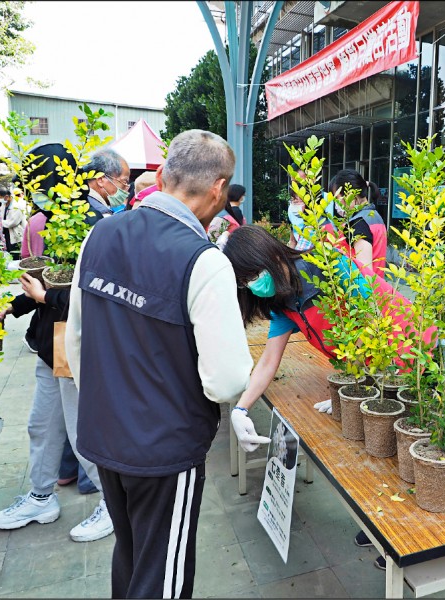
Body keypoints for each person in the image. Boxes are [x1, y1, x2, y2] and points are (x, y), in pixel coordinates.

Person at [66, 129, 253, 599]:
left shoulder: (100, 234)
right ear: (218, 188)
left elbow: (77, 340)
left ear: (166, 174)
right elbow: (227, 379)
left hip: (104, 434)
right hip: (164, 449)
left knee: (130, 556)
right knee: (162, 578)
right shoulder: (204, 260)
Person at [223, 224, 430, 571]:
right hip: (366, 376)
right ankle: (384, 527)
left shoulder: (330, 270)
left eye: (253, 274)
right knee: (375, 452)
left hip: (407, 357)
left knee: (402, 452)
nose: (252, 285)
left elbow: (376, 326)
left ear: (274, 256)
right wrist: (242, 409)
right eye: (244, 282)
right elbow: (269, 362)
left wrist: (355, 387)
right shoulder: (283, 302)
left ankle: (408, 540)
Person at [0, 143, 114, 544]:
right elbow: (46, 278)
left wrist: (45, 299)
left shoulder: (93, 221)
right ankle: (41, 496)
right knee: (41, 425)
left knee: (81, 430)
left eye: (35, 183)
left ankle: (113, 503)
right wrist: (12, 306)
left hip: (72, 338)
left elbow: (94, 290)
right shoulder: (58, 218)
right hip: (49, 340)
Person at [329, 169, 388, 278]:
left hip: (363, 292)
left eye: (337, 198)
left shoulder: (359, 223)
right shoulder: (373, 216)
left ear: (350, 195)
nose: (336, 204)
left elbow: (365, 273)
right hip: (378, 289)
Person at [81, 149, 130, 221]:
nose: (127, 189)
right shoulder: (102, 216)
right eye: (124, 182)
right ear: (100, 180)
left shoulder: (76, 203)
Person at [208, 183, 247, 249]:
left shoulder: (221, 213)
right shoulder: (226, 215)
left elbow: (212, 237)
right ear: (240, 197)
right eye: (243, 195)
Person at [0, 188, 27, 260]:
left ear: (6, 196)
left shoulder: (17, 206)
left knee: (17, 255)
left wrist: (0, 222)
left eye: (0, 197)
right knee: (10, 253)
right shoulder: (4, 205)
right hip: (7, 234)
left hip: (16, 235)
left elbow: (12, 222)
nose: (0, 200)